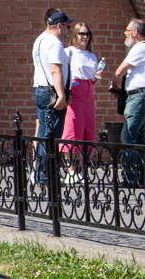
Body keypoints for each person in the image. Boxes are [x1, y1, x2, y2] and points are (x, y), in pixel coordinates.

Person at [112, 18, 145, 185]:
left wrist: (114, 82)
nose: (125, 33)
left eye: (127, 30)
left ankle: (131, 176)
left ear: (135, 32)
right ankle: (141, 176)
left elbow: (120, 70)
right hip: (140, 96)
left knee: (128, 135)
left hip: (139, 96)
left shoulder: (140, 48)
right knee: (137, 138)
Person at [31, 10, 72, 183]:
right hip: (51, 92)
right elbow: (55, 70)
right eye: (67, 26)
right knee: (51, 135)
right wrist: (61, 95)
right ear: (59, 26)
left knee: (42, 134)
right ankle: (45, 175)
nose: (69, 30)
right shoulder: (54, 43)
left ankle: (39, 172)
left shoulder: (40, 39)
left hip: (39, 89)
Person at [61, 23, 102, 180]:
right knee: (72, 131)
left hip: (88, 94)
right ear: (75, 35)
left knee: (87, 132)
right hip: (75, 93)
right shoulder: (69, 52)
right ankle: (70, 170)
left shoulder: (92, 56)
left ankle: (81, 169)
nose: (84, 37)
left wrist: (97, 77)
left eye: (87, 34)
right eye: (81, 34)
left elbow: (92, 80)